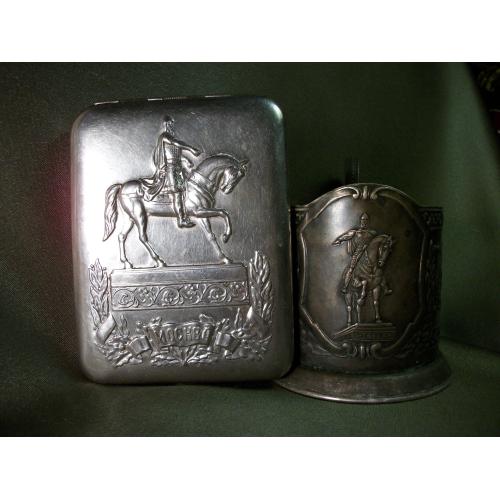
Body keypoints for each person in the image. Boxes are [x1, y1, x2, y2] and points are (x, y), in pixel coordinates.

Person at [144, 116, 200, 228]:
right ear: (166, 125)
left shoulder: (171, 140)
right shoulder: (164, 137)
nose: (171, 126)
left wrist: (186, 160)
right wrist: (191, 149)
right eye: (169, 124)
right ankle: (181, 220)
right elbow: (176, 143)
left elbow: (175, 155)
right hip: (171, 170)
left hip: (178, 170)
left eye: (171, 124)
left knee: (182, 193)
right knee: (177, 194)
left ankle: (184, 216)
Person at [332, 213, 377, 293]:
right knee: (351, 269)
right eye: (363, 220)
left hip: (367, 255)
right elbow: (345, 236)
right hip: (357, 254)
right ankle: (345, 286)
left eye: (366, 220)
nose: (364, 222)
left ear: (368, 222)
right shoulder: (355, 233)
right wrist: (339, 240)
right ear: (360, 221)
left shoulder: (372, 233)